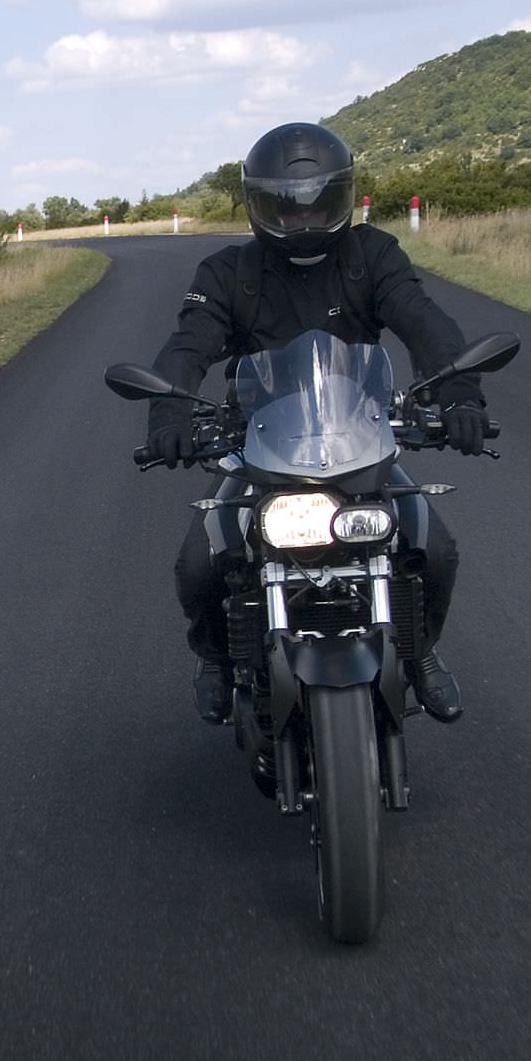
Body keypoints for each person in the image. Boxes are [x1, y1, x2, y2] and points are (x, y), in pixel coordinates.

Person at [143, 122, 493, 725]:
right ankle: (218, 661)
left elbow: (423, 320)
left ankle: (421, 653)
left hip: (359, 440)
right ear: (257, 204)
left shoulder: (372, 254)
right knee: (198, 566)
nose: (303, 219)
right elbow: (187, 346)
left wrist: (459, 396)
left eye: (317, 203)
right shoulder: (227, 272)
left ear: (344, 197)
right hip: (260, 446)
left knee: (435, 550)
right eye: (285, 205)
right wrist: (170, 413)